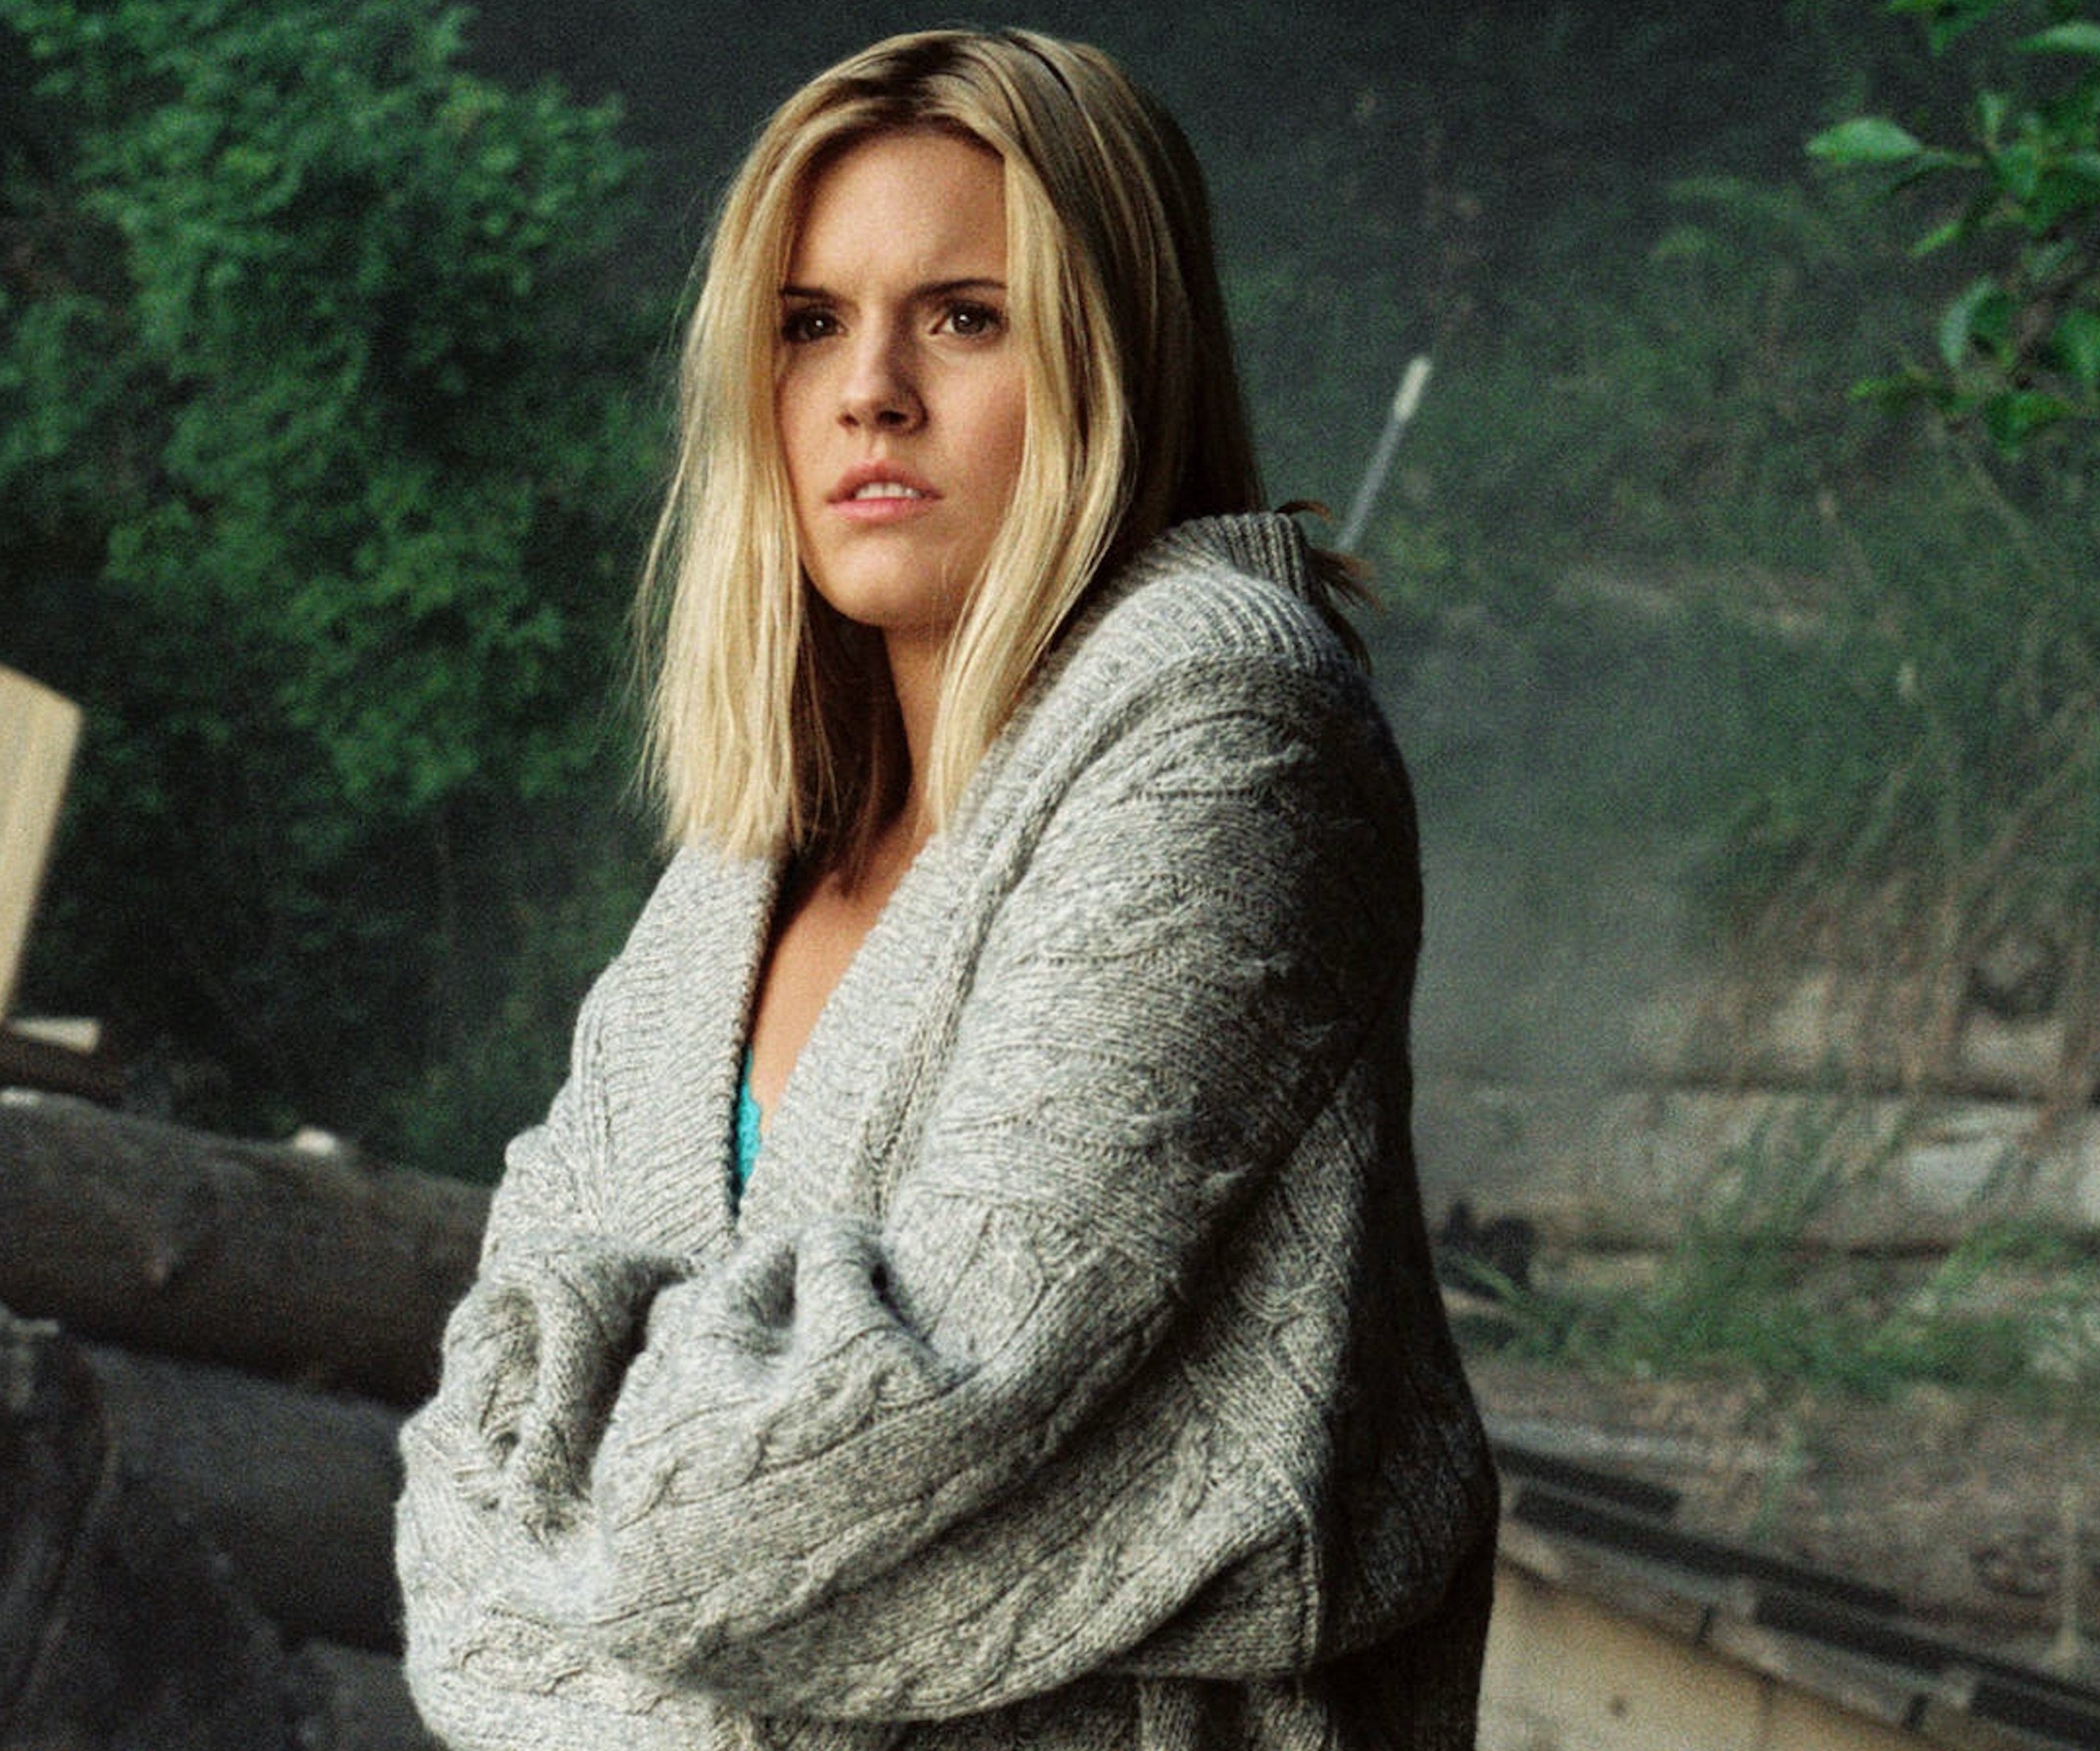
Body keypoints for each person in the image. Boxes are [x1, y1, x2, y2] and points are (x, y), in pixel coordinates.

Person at [394, 27, 1495, 1750]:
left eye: (966, 318)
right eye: (807, 324)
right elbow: (470, 1464)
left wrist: (593, 1555)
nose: (870, 392)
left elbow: (880, 1436)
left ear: (1116, 352)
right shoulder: (749, 859)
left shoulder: (1225, 726)